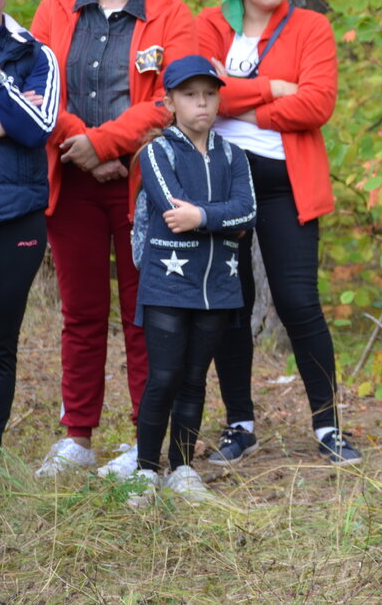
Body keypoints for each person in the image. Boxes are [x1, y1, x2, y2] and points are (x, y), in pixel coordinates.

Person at [30, 0, 197, 478]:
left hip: (144, 186)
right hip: (72, 183)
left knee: (143, 314)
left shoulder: (173, 17)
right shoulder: (54, 10)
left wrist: (106, 146)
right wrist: (87, 149)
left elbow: (168, 101)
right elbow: (40, 90)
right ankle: (77, 436)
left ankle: (143, 441)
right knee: (81, 313)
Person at [197, 0, 360, 466]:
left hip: (287, 183)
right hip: (220, 183)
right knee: (230, 305)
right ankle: (239, 425)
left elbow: (316, 105)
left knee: (298, 302)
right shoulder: (210, 26)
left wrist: (232, 102)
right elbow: (192, 96)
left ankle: (328, 426)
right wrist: (270, 87)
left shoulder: (311, 27)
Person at [128, 55, 256, 504]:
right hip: (168, 282)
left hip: (219, 284)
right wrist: (220, 219)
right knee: (163, 375)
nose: (202, 103)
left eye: (209, 94)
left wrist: (201, 214)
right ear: (170, 102)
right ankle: (146, 470)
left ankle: (182, 467)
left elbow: (248, 211)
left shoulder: (234, 155)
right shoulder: (156, 153)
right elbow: (169, 207)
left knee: (195, 379)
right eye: (190, 95)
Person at [0, 0, 60, 461]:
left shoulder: (36, 54)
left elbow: (37, 127)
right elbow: (16, 122)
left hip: (15, 216)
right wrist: (3, 122)